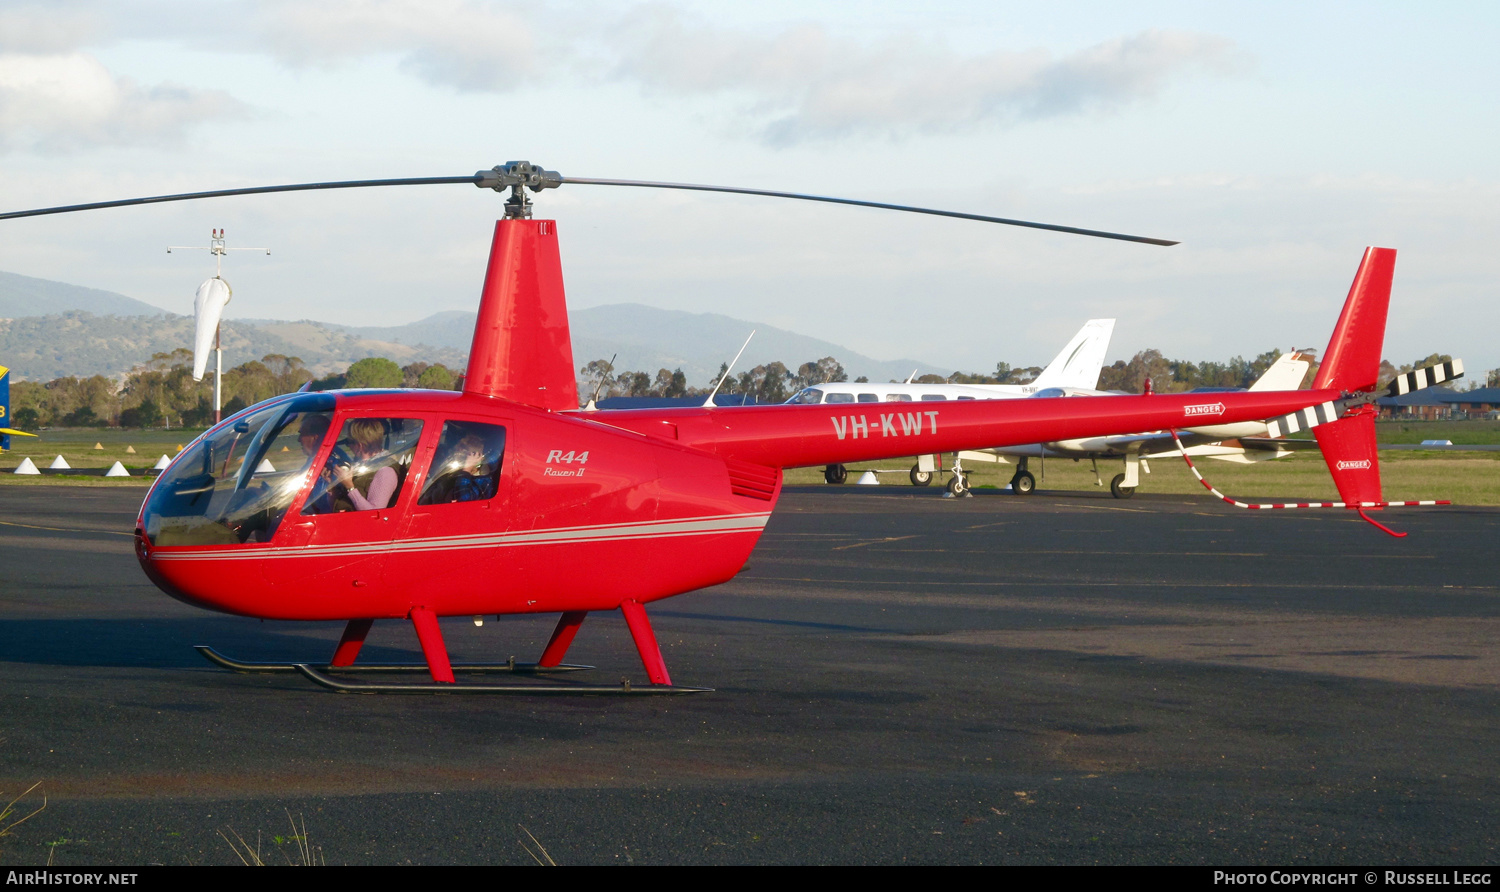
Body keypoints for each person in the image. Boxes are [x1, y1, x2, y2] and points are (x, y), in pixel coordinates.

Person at [332, 418, 399, 510]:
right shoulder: (360, 465)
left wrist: (350, 487)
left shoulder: (385, 472)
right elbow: (339, 505)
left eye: (348, 442)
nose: (348, 446)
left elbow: (374, 512)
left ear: (360, 445)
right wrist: (332, 486)